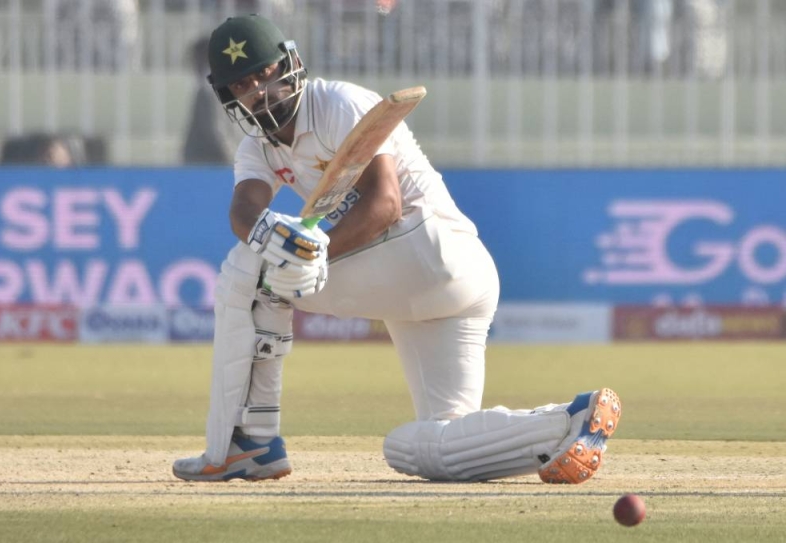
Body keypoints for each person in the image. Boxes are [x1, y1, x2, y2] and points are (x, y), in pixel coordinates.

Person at [173, 14, 621, 484]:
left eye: (265, 73)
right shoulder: (257, 148)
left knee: (249, 273)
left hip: (427, 248)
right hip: (437, 283)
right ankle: (565, 424)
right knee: (427, 448)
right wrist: (275, 235)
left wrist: (312, 251)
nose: (260, 91)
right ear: (228, 96)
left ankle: (248, 443)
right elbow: (244, 211)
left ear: (290, 64)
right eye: (243, 84)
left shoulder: (337, 103)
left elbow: (386, 204)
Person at [182, 37, 238, 165]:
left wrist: (232, 158)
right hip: (205, 161)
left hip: (207, 161)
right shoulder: (214, 87)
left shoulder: (210, 89)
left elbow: (216, 130)